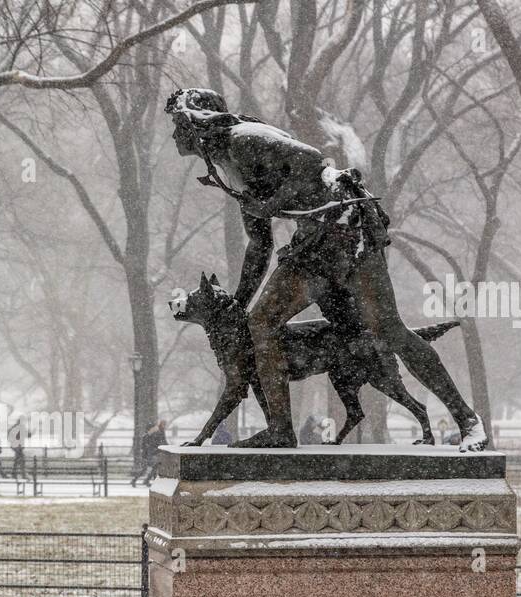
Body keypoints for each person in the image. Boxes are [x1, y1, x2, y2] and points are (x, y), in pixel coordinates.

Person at [165, 88, 487, 452]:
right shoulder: (226, 166)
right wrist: (239, 302)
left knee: (388, 329)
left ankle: (467, 420)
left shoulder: (243, 139)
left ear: (200, 122)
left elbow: (312, 160)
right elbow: (260, 244)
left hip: (347, 232)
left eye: (178, 123)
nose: (175, 134)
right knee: (259, 323)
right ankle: (281, 431)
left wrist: (271, 203)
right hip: (310, 245)